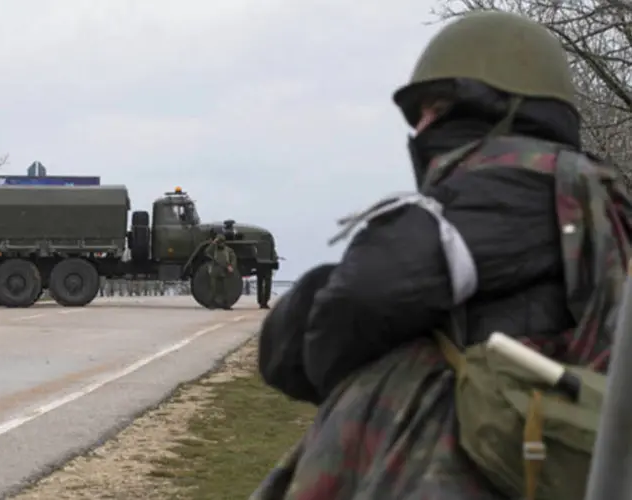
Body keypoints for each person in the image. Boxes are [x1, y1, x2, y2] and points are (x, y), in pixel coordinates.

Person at [252, 10, 632, 500]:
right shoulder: (589, 197)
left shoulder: (516, 184)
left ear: (491, 106)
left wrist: (310, 300)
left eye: (433, 108)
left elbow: (364, 293)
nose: (420, 129)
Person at [205, 234, 237, 310]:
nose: (220, 244)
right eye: (219, 242)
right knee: (213, 288)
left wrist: (231, 267)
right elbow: (207, 251)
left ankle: (226, 304)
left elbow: (233, 259)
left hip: (224, 270)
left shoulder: (228, 250)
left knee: (225, 289)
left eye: (222, 241)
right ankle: (211, 304)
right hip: (215, 269)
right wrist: (213, 243)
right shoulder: (214, 250)